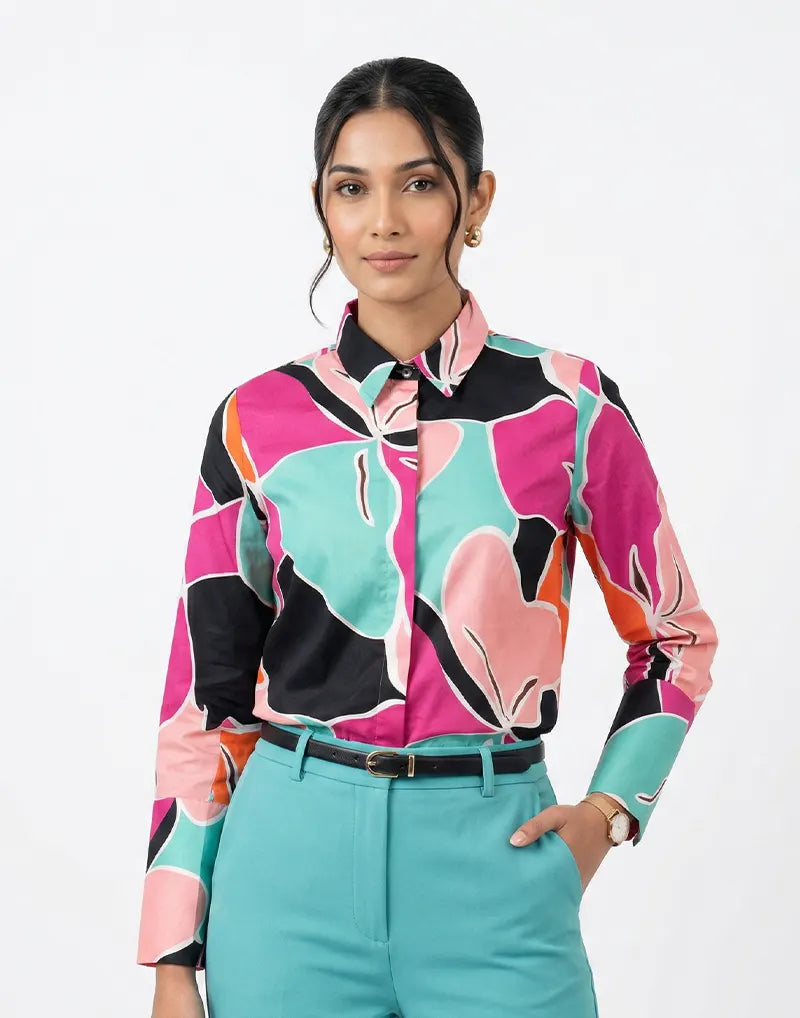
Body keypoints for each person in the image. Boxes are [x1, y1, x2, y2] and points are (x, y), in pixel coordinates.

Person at [136, 56, 718, 1018]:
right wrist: (171, 959)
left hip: (497, 872)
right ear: (322, 208)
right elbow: (206, 695)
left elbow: (676, 635)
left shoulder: (569, 406)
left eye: (418, 184)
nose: (384, 221)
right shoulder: (258, 420)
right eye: (351, 188)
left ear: (474, 200)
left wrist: (610, 811)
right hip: (286, 878)